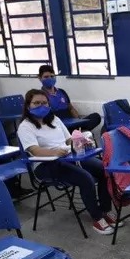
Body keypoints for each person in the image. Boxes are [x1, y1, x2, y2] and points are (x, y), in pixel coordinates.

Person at [18, 89, 117, 236]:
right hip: (46, 165)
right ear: (28, 106)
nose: (41, 106)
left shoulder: (54, 119)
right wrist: (54, 152)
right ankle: (97, 218)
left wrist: (81, 141)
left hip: (69, 157)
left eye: (44, 103)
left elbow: (69, 139)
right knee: (86, 179)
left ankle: (104, 211)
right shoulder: (25, 127)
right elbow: (34, 150)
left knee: (105, 170)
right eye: (36, 103)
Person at [37, 65, 101, 132]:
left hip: (71, 123)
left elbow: (71, 108)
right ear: (39, 78)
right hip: (58, 126)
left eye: (52, 76)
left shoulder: (61, 92)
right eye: (46, 77)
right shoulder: (40, 96)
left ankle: (77, 132)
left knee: (96, 117)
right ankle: (76, 133)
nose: (50, 79)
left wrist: (79, 120)